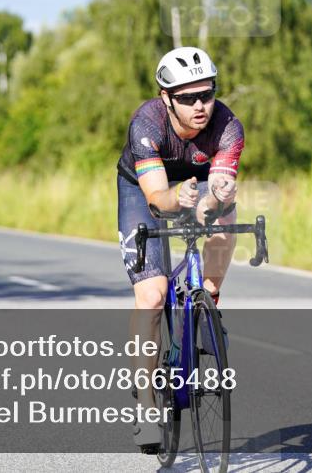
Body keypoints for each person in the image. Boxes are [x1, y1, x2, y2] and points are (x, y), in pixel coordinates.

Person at [116, 47, 244, 448]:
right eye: (187, 98)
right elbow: (158, 199)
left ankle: (209, 295)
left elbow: (220, 189)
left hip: (199, 183)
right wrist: (180, 199)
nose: (200, 105)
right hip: (144, 190)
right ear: (165, 97)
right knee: (152, 297)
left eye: (206, 94)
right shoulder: (146, 124)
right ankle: (145, 404)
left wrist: (213, 200)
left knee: (226, 217)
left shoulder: (228, 127)